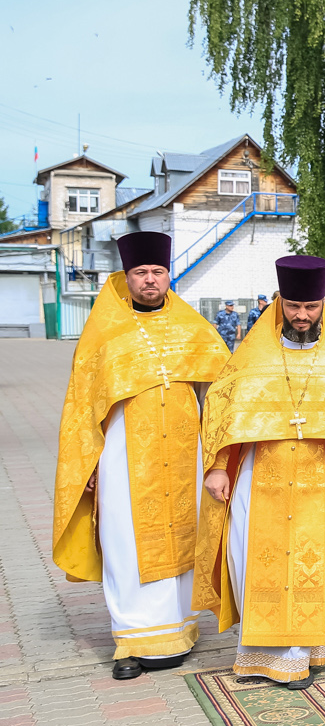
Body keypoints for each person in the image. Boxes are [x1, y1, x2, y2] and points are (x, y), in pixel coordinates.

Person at [194, 256, 325, 688]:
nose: (302, 315)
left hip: (323, 478)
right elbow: (225, 413)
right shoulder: (252, 358)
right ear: (280, 304)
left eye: (311, 307)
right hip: (258, 475)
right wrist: (219, 467)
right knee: (250, 557)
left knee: (313, 559)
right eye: (294, 306)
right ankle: (259, 651)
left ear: (323, 306)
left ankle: (304, 652)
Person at [52, 232, 231, 680]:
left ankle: (181, 632)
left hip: (186, 451)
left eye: (157, 272)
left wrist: (222, 456)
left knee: (186, 534)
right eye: (140, 273)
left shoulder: (194, 326)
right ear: (127, 276)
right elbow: (82, 407)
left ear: (169, 274)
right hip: (124, 453)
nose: (150, 280)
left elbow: (223, 390)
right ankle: (130, 642)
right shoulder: (105, 331)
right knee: (125, 541)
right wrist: (88, 465)